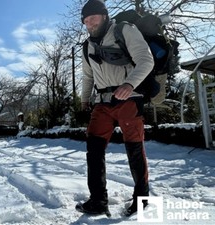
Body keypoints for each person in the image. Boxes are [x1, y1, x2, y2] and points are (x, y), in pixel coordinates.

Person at [75, 0, 154, 216]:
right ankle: (98, 200)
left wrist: (129, 84)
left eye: (93, 18)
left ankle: (142, 198)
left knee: (134, 148)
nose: (89, 24)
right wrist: (84, 100)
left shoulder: (124, 30)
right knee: (94, 148)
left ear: (104, 15)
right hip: (103, 103)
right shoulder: (87, 46)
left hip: (130, 98)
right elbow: (88, 76)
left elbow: (146, 60)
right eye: (85, 21)